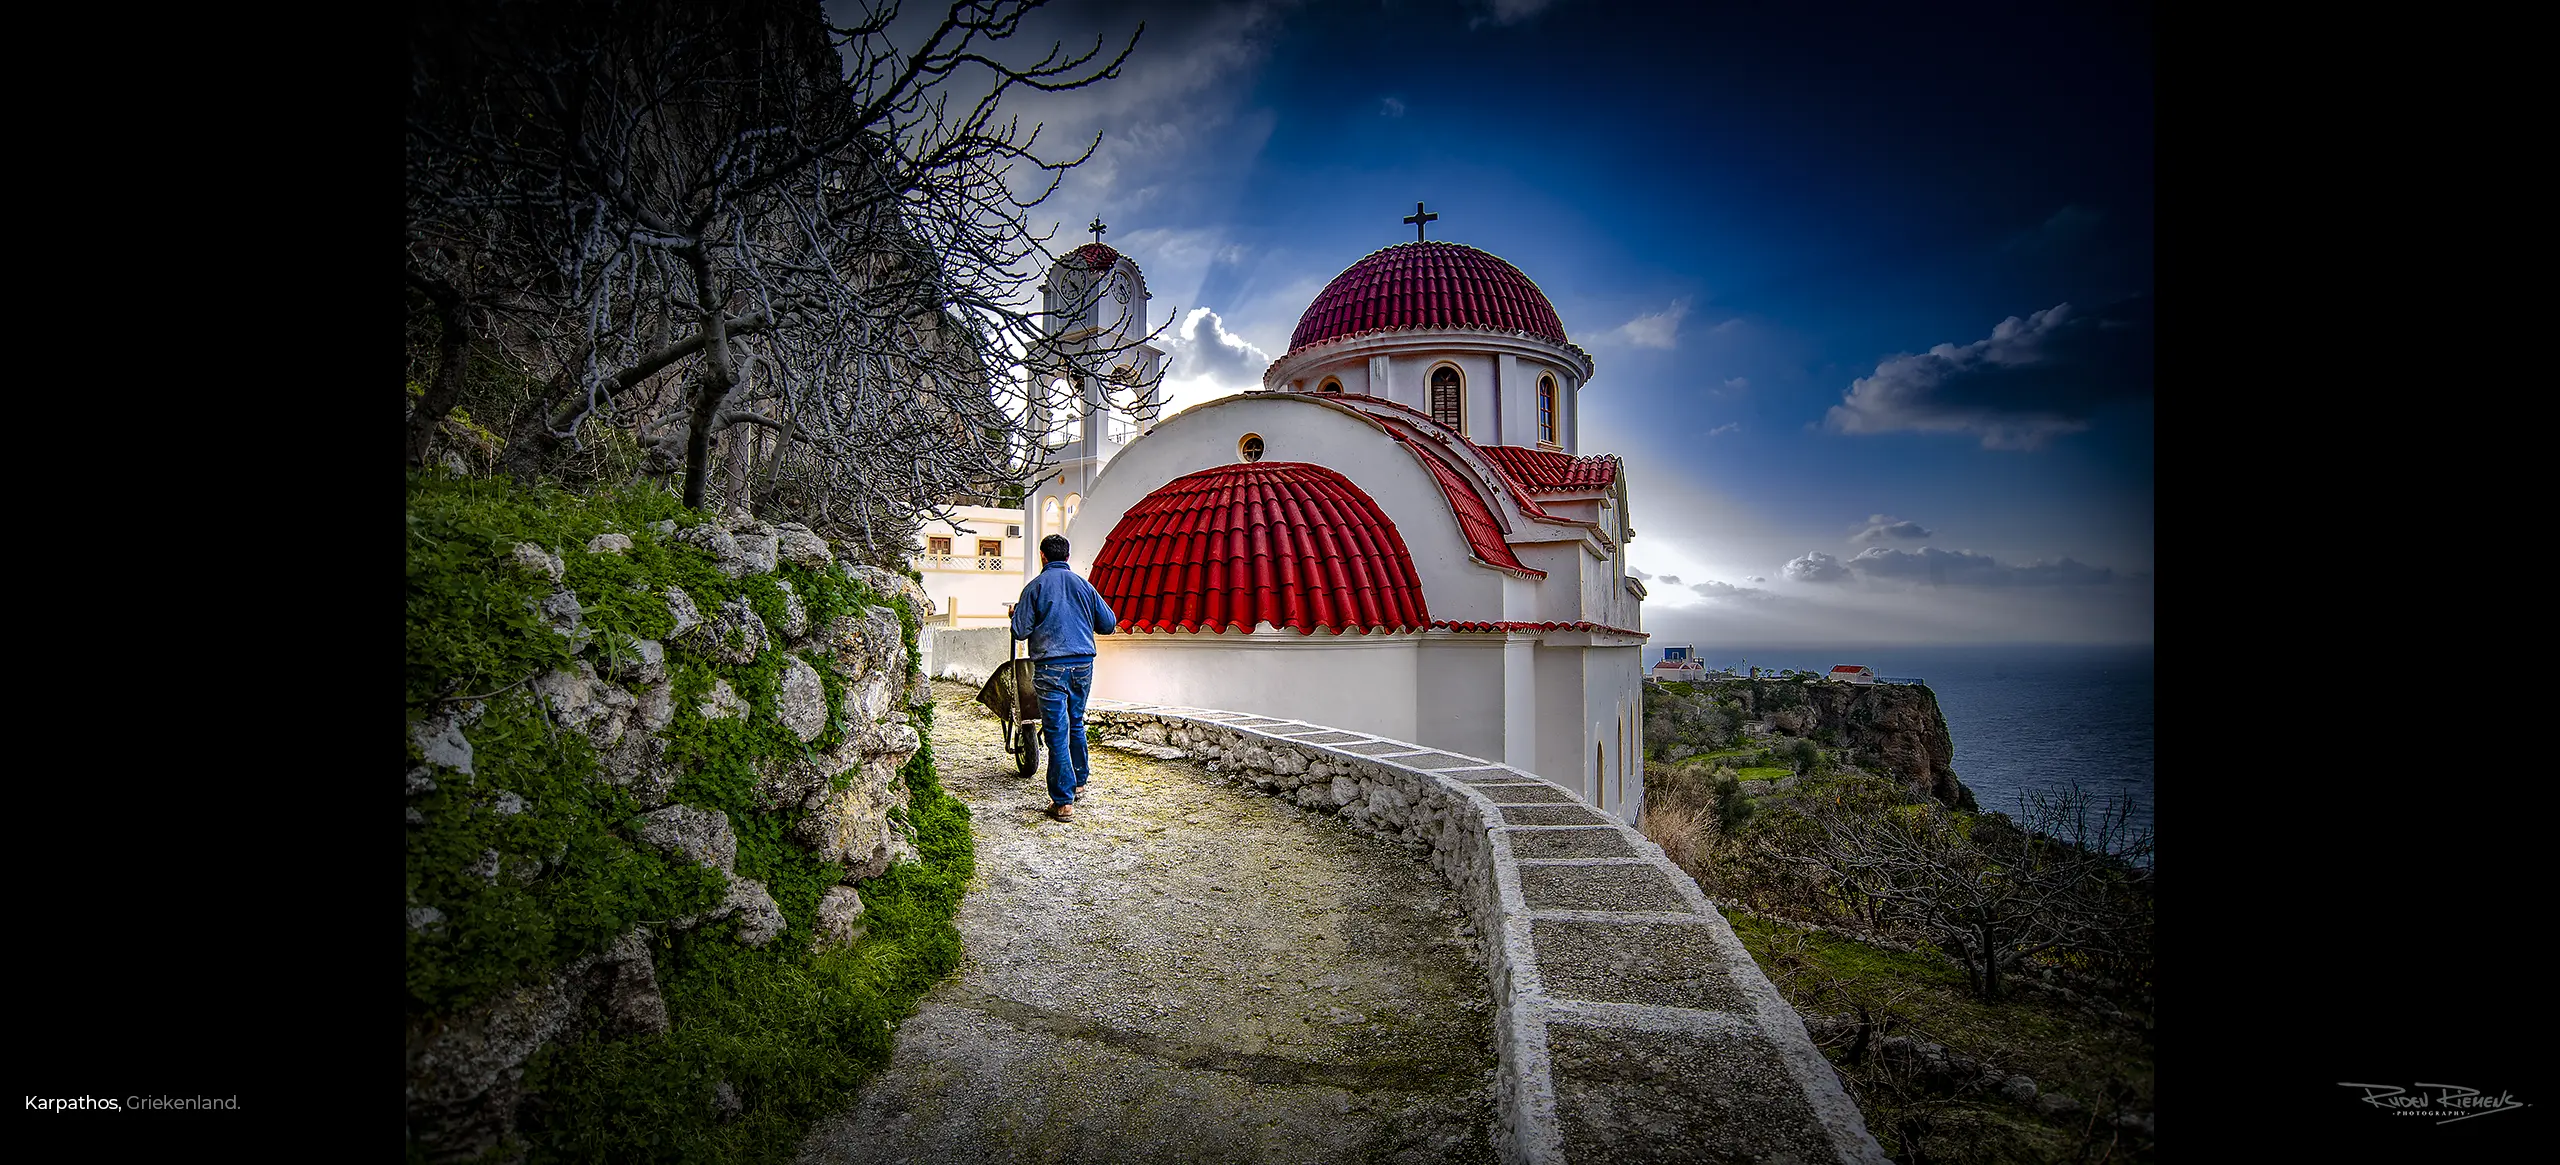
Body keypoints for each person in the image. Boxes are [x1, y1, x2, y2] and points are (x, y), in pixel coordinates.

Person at [1009, 534, 1118, 820]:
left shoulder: (1035, 587)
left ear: (1043, 556)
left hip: (1051, 667)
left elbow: (1020, 630)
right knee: (1076, 722)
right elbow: (1108, 624)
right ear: (1067, 557)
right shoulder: (1085, 586)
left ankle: (1063, 800)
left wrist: (1015, 613)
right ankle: (1079, 782)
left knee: (1057, 729)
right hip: (1083, 664)